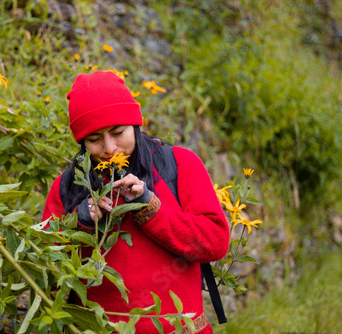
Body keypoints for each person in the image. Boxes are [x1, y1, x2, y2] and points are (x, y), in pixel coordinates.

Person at [42, 71, 230, 334]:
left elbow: (216, 242)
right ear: (82, 142)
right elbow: (46, 265)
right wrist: (79, 222)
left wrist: (150, 208)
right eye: (94, 139)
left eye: (118, 132)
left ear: (135, 124)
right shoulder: (67, 187)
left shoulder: (179, 165)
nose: (109, 148)